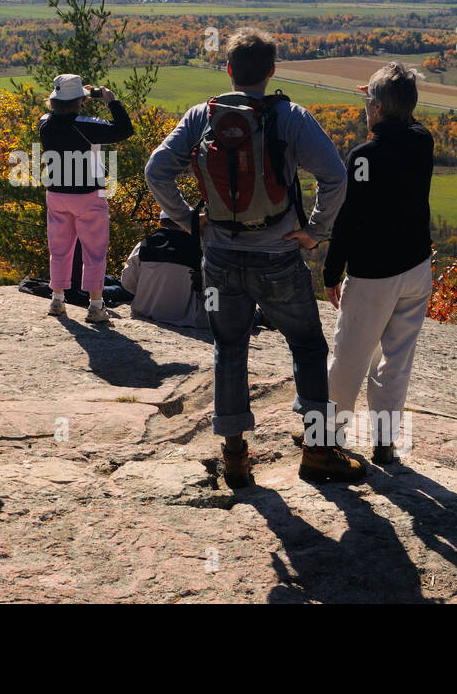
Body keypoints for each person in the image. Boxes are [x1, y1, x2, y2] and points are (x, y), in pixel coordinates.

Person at [145, 28, 361, 487]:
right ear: (271, 71)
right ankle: (318, 452)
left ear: (228, 70)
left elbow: (155, 171)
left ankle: (236, 458)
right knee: (306, 347)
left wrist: (188, 221)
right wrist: (314, 232)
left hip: (220, 258)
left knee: (229, 349)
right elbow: (335, 177)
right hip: (280, 257)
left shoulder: (199, 117)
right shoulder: (290, 116)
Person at [323, 62, 434, 466]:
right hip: (417, 269)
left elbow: (349, 219)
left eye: (369, 102)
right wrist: (383, 100)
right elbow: (407, 125)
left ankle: (325, 439)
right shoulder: (423, 140)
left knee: (348, 360)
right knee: (396, 361)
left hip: (373, 276)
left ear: (377, 106)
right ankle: (385, 442)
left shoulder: (363, 157)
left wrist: (331, 272)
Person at [39, 75, 134, 324]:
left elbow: (62, 117)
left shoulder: (44, 123)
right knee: (94, 250)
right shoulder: (88, 125)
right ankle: (95, 306)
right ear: (80, 100)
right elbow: (125, 130)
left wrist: (78, 97)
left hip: (56, 194)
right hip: (88, 195)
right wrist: (111, 101)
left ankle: (57, 299)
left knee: (59, 249)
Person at [119, 213, 209, 329]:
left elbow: (126, 282)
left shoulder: (144, 244)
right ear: (185, 224)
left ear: (161, 222)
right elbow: (208, 287)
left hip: (143, 312)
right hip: (181, 317)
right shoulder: (196, 250)